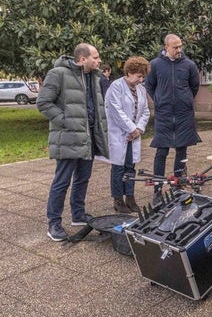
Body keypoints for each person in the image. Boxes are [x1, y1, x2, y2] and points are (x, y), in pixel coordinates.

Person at [37, 43, 109, 242]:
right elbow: (43, 102)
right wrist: (66, 122)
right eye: (95, 57)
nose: (99, 60)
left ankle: (78, 215)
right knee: (61, 182)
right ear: (83, 58)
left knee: (82, 179)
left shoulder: (94, 77)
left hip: (88, 138)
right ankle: (54, 224)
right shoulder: (58, 73)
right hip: (68, 138)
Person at [145, 34, 200, 205]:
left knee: (181, 151)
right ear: (166, 47)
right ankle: (157, 190)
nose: (179, 50)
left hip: (184, 115)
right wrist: (160, 100)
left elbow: (194, 87)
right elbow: (150, 86)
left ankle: (178, 186)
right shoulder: (155, 65)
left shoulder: (189, 65)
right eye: (175, 47)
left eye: (180, 46)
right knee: (161, 152)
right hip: (164, 115)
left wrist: (184, 100)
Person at [105, 56, 151, 213]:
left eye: (143, 76)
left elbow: (145, 111)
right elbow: (115, 111)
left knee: (131, 167)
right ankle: (118, 200)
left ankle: (130, 198)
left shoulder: (141, 89)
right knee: (118, 167)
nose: (141, 79)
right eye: (139, 76)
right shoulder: (116, 86)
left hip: (134, 135)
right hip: (120, 134)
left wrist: (138, 129)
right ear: (129, 72)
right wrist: (132, 129)